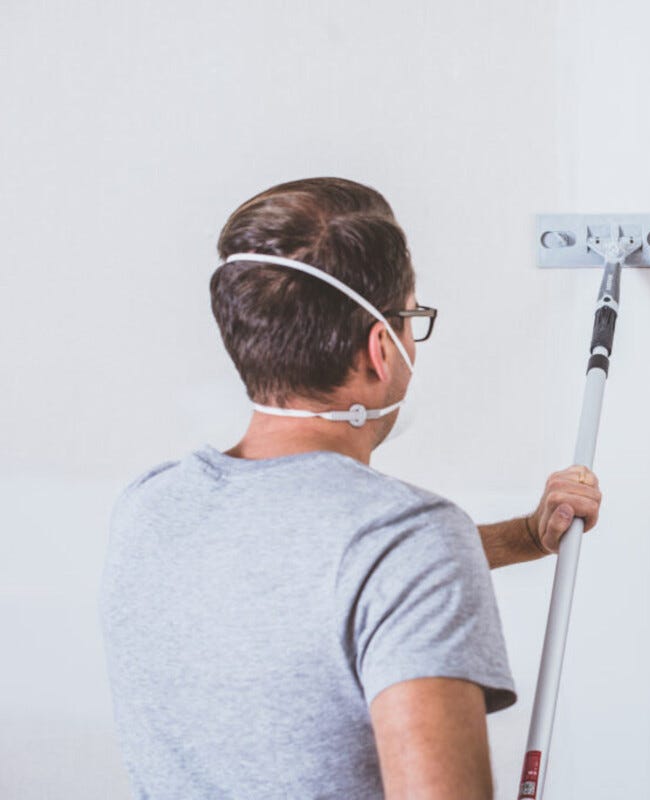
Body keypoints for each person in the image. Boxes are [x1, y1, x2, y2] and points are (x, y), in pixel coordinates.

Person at [99, 177, 603, 799]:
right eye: (411, 319)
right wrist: (444, 549)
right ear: (379, 350)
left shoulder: (151, 507)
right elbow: (369, 565)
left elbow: (308, 572)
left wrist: (525, 536)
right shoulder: (411, 541)